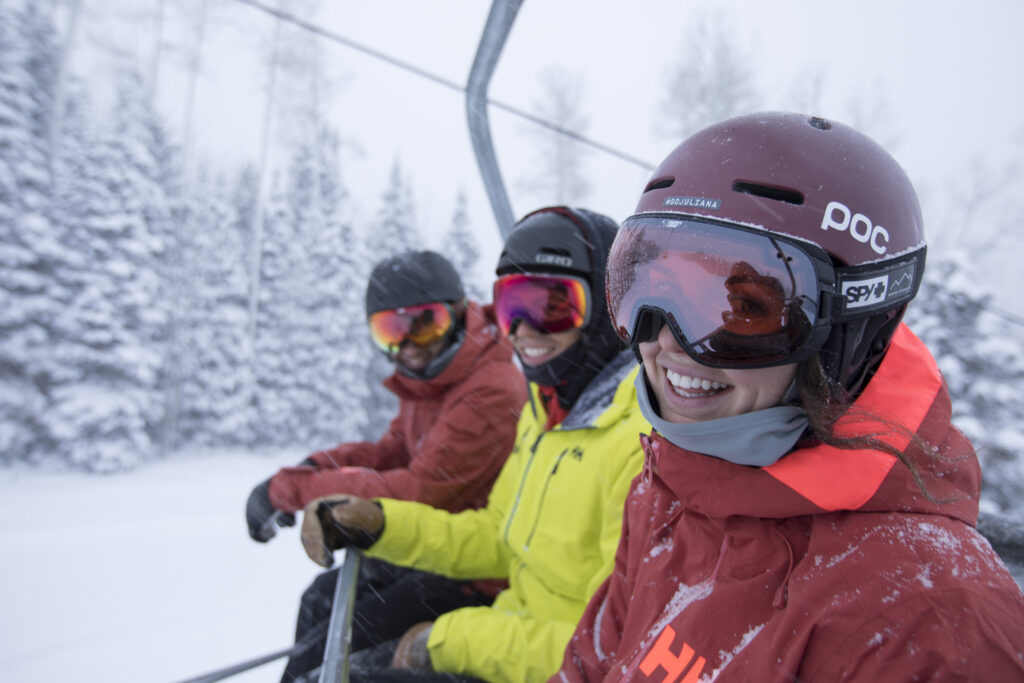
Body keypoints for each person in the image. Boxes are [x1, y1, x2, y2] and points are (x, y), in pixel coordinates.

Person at [554, 112, 1024, 682]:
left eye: (744, 310)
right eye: (648, 290)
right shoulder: (667, 489)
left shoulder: (931, 620)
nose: (668, 342)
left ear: (850, 334)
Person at [298, 207, 651, 683]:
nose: (523, 330)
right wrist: (384, 523)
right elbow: (497, 536)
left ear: (612, 308)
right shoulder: (548, 411)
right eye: (510, 307)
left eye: (551, 306)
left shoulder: (640, 445)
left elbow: (610, 649)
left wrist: (447, 639)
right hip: (510, 636)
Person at [244, 249, 527, 682]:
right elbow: (391, 451)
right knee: (320, 600)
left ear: (456, 314)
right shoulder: (438, 378)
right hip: (429, 553)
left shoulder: (490, 389)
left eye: (425, 324)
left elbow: (421, 488)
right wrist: (311, 467)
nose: (409, 345)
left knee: (327, 660)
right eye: (391, 330)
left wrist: (295, 490)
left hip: (474, 574)